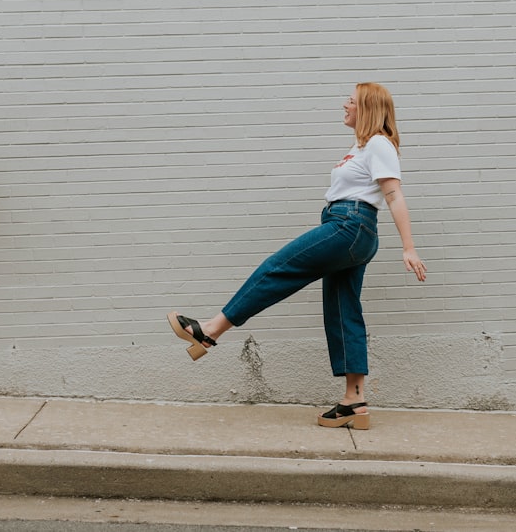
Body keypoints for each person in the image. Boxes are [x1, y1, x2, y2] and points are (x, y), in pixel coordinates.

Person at [168, 82, 427, 430]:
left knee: (278, 267)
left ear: (366, 107)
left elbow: (394, 195)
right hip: (352, 228)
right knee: (343, 309)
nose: (344, 105)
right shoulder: (362, 146)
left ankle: (211, 330)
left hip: (350, 225)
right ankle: (355, 399)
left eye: (350, 100)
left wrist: (408, 247)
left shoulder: (378, 143)